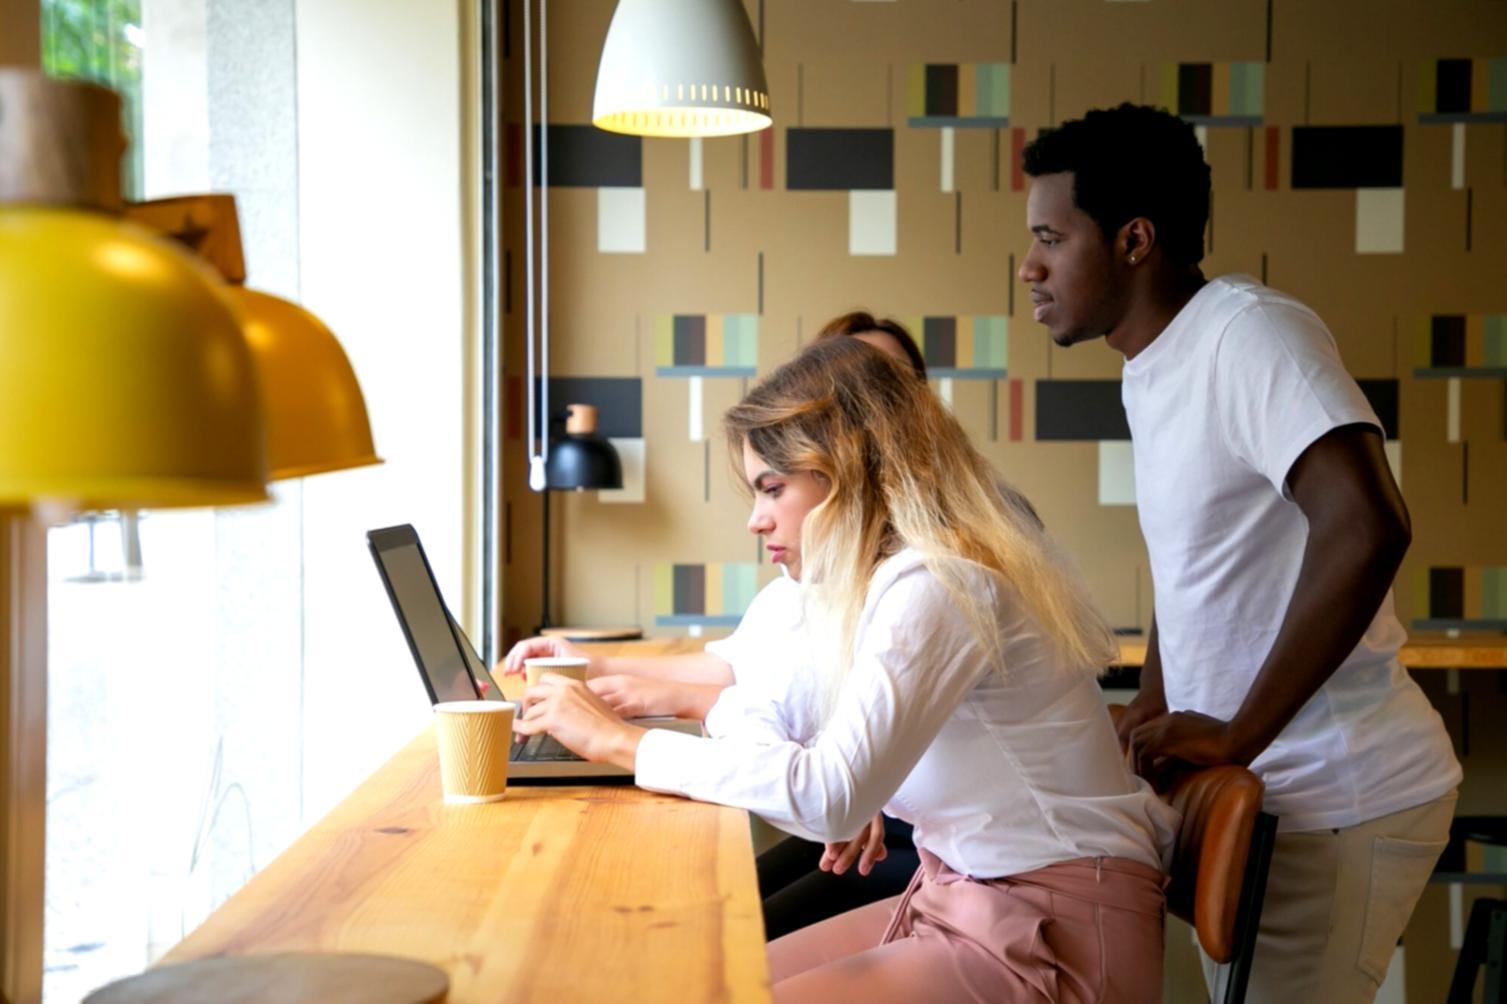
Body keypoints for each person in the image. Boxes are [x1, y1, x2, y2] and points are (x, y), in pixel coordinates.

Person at [510, 337, 1179, 1001]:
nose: (755, 519)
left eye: (772, 488)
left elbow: (827, 795)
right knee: (713, 981)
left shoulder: (938, 583)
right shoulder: (882, 585)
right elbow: (783, 723)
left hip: (1053, 935)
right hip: (966, 897)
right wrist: (845, 783)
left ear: (850, 472)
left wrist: (620, 743)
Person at [1018, 102, 1462, 1001]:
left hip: (1341, 791)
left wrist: (1236, 732)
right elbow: (1199, 556)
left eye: (1050, 239)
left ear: (1134, 239)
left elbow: (1370, 525)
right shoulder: (1154, 363)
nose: (1028, 267)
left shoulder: (1250, 334)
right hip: (1264, 795)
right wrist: (1152, 705)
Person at [509, 312, 933, 941]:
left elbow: (817, 754)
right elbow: (748, 674)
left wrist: (639, 731)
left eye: (881, 391)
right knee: (718, 921)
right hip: (879, 818)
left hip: (915, 838)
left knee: (729, 941)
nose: (757, 520)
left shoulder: (924, 575)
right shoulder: (827, 573)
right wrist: (600, 669)